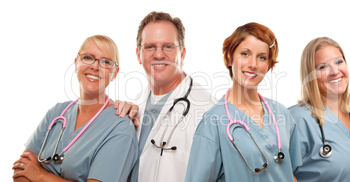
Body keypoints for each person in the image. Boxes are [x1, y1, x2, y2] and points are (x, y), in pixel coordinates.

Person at [12, 35, 138, 182]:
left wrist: (40, 175)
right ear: (76, 62)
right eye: (88, 58)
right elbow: (21, 170)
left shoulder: (120, 127)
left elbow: (31, 172)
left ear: (115, 73)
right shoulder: (57, 113)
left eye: (106, 62)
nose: (95, 66)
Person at [185, 22, 301, 182]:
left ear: (268, 66)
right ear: (229, 57)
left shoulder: (282, 113)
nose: (253, 64)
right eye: (245, 54)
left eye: (262, 57)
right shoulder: (212, 122)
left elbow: (289, 173)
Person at [114, 11, 214, 182]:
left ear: (182, 54)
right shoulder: (135, 104)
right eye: (150, 47)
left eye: (168, 46)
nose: (159, 55)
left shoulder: (208, 110)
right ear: (138, 54)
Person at [288, 37, 350, 181]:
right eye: (323, 67)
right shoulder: (297, 119)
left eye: (339, 62)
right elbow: (276, 172)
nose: (335, 71)